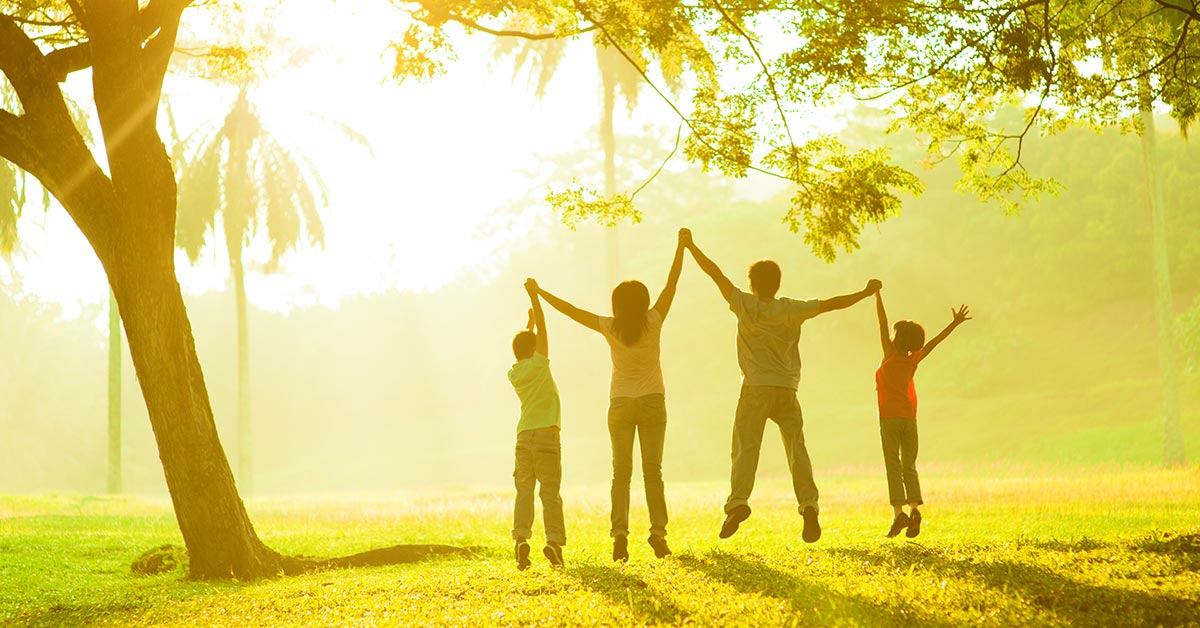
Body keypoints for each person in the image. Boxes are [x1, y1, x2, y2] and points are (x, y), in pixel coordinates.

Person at [683, 230, 881, 543]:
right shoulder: (792, 309)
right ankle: (808, 504)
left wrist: (691, 245)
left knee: (745, 448)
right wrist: (866, 292)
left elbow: (715, 273)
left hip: (755, 389)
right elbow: (833, 303)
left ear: (752, 284)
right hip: (787, 390)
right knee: (796, 449)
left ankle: (737, 504)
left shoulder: (743, 304)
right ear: (778, 284)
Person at [529, 229, 687, 562]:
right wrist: (681, 246)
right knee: (653, 472)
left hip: (619, 405)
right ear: (644, 302)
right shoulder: (654, 320)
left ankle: (619, 536)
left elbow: (571, 311)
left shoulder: (609, 326)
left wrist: (540, 293)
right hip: (652, 402)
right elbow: (671, 285)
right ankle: (658, 533)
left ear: (616, 305)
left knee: (621, 474)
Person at [874, 290, 970, 538]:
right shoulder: (914, 359)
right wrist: (955, 323)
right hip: (909, 419)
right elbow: (935, 341)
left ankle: (899, 514)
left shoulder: (889, 355)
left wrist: (877, 295)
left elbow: (882, 323)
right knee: (909, 466)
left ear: (897, 339)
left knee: (893, 466)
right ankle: (915, 507)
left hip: (889, 419)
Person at [507, 280, 565, 570]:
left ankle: (521, 540)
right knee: (550, 492)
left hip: (523, 436)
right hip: (546, 435)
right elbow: (544, 330)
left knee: (525, 490)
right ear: (535, 349)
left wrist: (526, 325)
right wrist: (535, 298)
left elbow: (525, 346)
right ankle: (553, 543)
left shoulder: (515, 372)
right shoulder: (541, 363)